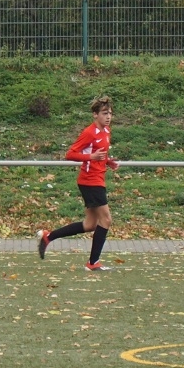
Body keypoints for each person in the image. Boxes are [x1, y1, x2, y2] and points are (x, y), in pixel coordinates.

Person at [37, 95, 119, 271]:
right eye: (104, 113)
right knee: (106, 220)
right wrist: (91, 156)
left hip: (97, 179)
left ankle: (48, 237)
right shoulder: (89, 132)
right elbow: (70, 154)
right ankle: (93, 263)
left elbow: (99, 154)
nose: (108, 117)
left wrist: (108, 161)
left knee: (90, 225)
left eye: (110, 113)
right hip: (90, 181)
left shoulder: (106, 131)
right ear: (95, 115)